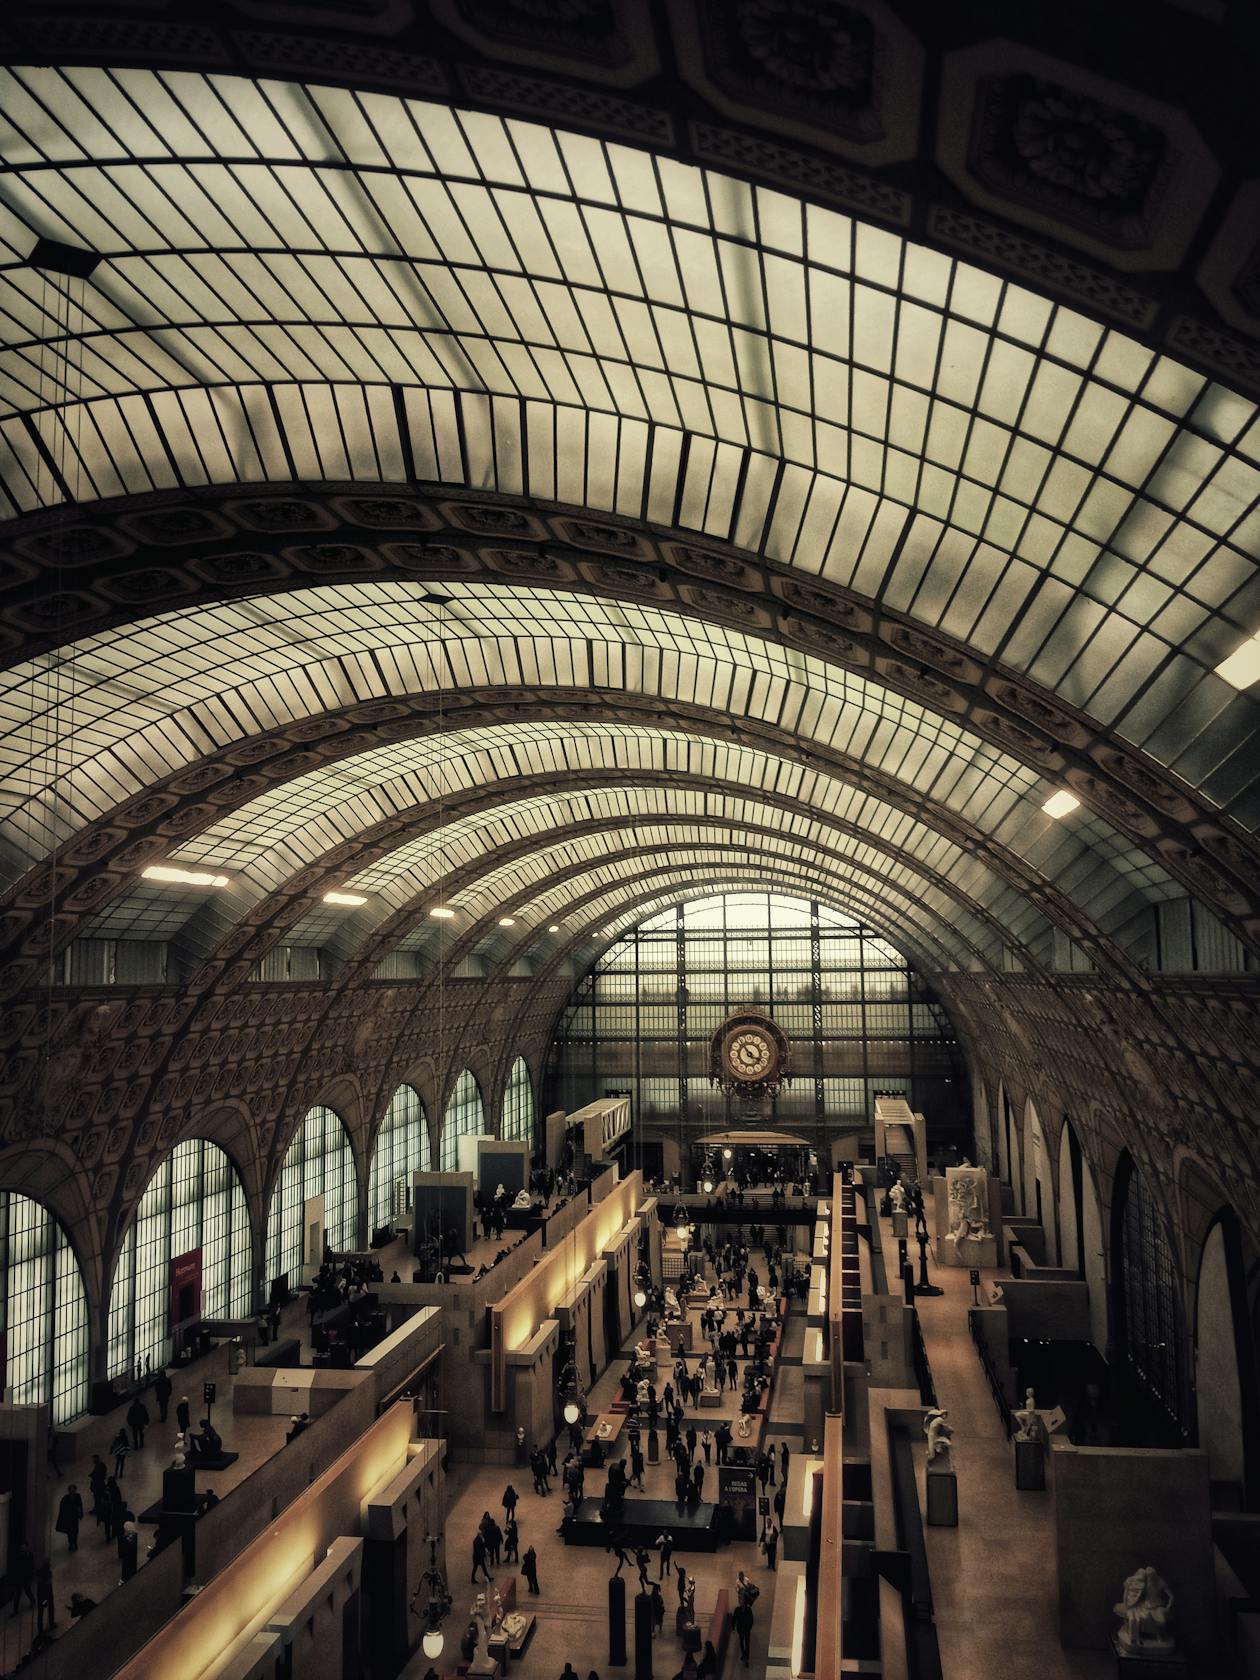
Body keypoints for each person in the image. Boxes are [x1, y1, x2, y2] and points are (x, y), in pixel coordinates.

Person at [9, 1541, 35, 1617]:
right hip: (19, 1577)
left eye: (23, 1547)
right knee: (17, 1594)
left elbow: (31, 1566)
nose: (22, 1549)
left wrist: (30, 1577)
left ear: (26, 1547)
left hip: (26, 1577)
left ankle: (32, 1600)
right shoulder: (18, 1555)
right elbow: (16, 1566)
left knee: (27, 1590)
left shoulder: (30, 1555)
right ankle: (15, 1610)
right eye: (21, 1547)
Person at [56, 1484, 84, 1551]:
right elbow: (62, 1508)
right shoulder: (65, 1498)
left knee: (75, 1531)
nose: (72, 1492)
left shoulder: (77, 1496)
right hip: (68, 1517)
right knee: (69, 1531)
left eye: (73, 1490)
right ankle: (71, 1544)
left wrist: (80, 1514)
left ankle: (74, 1543)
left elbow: (80, 1505)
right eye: (71, 1491)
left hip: (74, 1517)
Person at [35, 1559, 55, 1634]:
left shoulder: (39, 1573)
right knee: (50, 1609)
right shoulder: (48, 1573)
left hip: (41, 1597)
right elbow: (48, 1585)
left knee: (41, 1612)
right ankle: (51, 1623)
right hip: (47, 1596)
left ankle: (40, 1629)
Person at [732, 1597, 754, 1665]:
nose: (741, 1603)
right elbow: (734, 1619)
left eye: (742, 1601)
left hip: (746, 1629)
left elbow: (751, 1619)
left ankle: (746, 1657)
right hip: (740, 1629)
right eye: (740, 1601)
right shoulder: (737, 1610)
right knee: (741, 1642)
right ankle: (744, 1654)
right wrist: (733, 1627)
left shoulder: (748, 1609)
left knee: (747, 1643)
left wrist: (749, 1627)